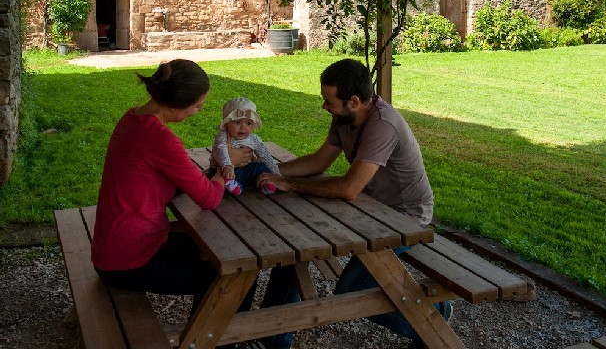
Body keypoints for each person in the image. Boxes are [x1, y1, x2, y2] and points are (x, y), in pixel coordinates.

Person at [250, 58, 451, 349]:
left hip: (403, 218)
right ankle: (273, 339)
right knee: (294, 245)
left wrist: (290, 185)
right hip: (369, 207)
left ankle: (435, 318)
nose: (324, 106)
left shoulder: (383, 124)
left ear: (354, 101)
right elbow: (320, 161)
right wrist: (267, 171)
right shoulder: (345, 117)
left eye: (329, 102)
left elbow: (348, 188)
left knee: (351, 289)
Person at [90, 59, 245, 323]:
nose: (199, 110)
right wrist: (224, 169)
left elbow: (162, 178)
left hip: (115, 247)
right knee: (233, 274)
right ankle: (214, 339)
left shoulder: (132, 118)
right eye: (198, 105)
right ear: (175, 105)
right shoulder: (160, 137)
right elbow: (209, 198)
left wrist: (199, 177)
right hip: (128, 261)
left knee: (217, 251)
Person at [211, 96, 279, 196]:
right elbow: (221, 150)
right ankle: (231, 184)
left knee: (261, 167)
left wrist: (276, 174)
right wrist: (227, 165)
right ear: (226, 123)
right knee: (225, 173)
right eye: (237, 122)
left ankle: (266, 184)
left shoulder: (253, 139)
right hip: (223, 169)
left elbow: (265, 156)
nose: (243, 127)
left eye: (249, 123)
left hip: (244, 169)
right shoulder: (223, 136)